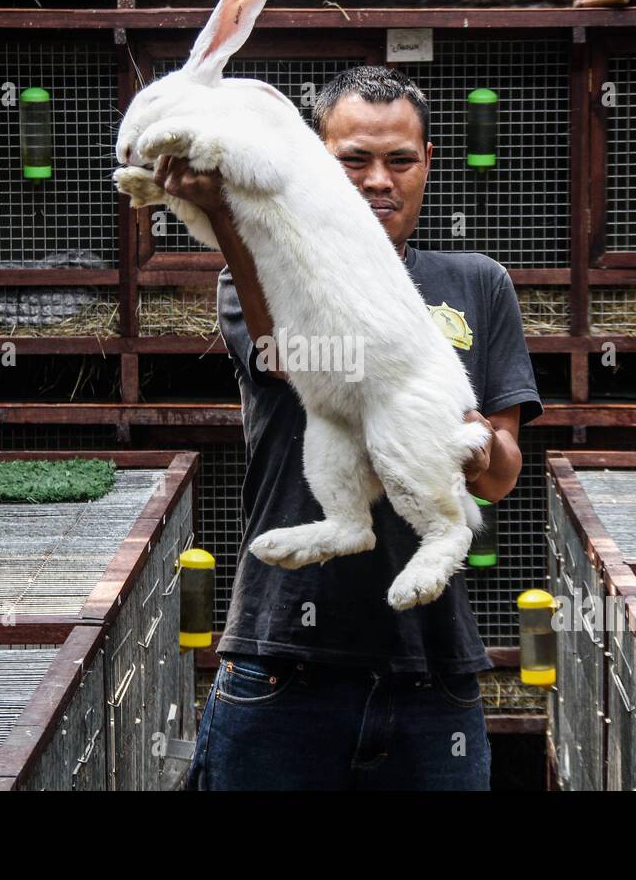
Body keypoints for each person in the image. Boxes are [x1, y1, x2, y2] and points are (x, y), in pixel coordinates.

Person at [155, 65, 544, 790]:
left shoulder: (477, 284)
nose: (377, 181)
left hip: (432, 673)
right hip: (282, 666)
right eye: (353, 161)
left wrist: (453, 438)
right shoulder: (260, 273)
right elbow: (281, 358)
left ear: (427, 162)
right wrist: (229, 220)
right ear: (315, 164)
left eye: (399, 160)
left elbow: (501, 475)